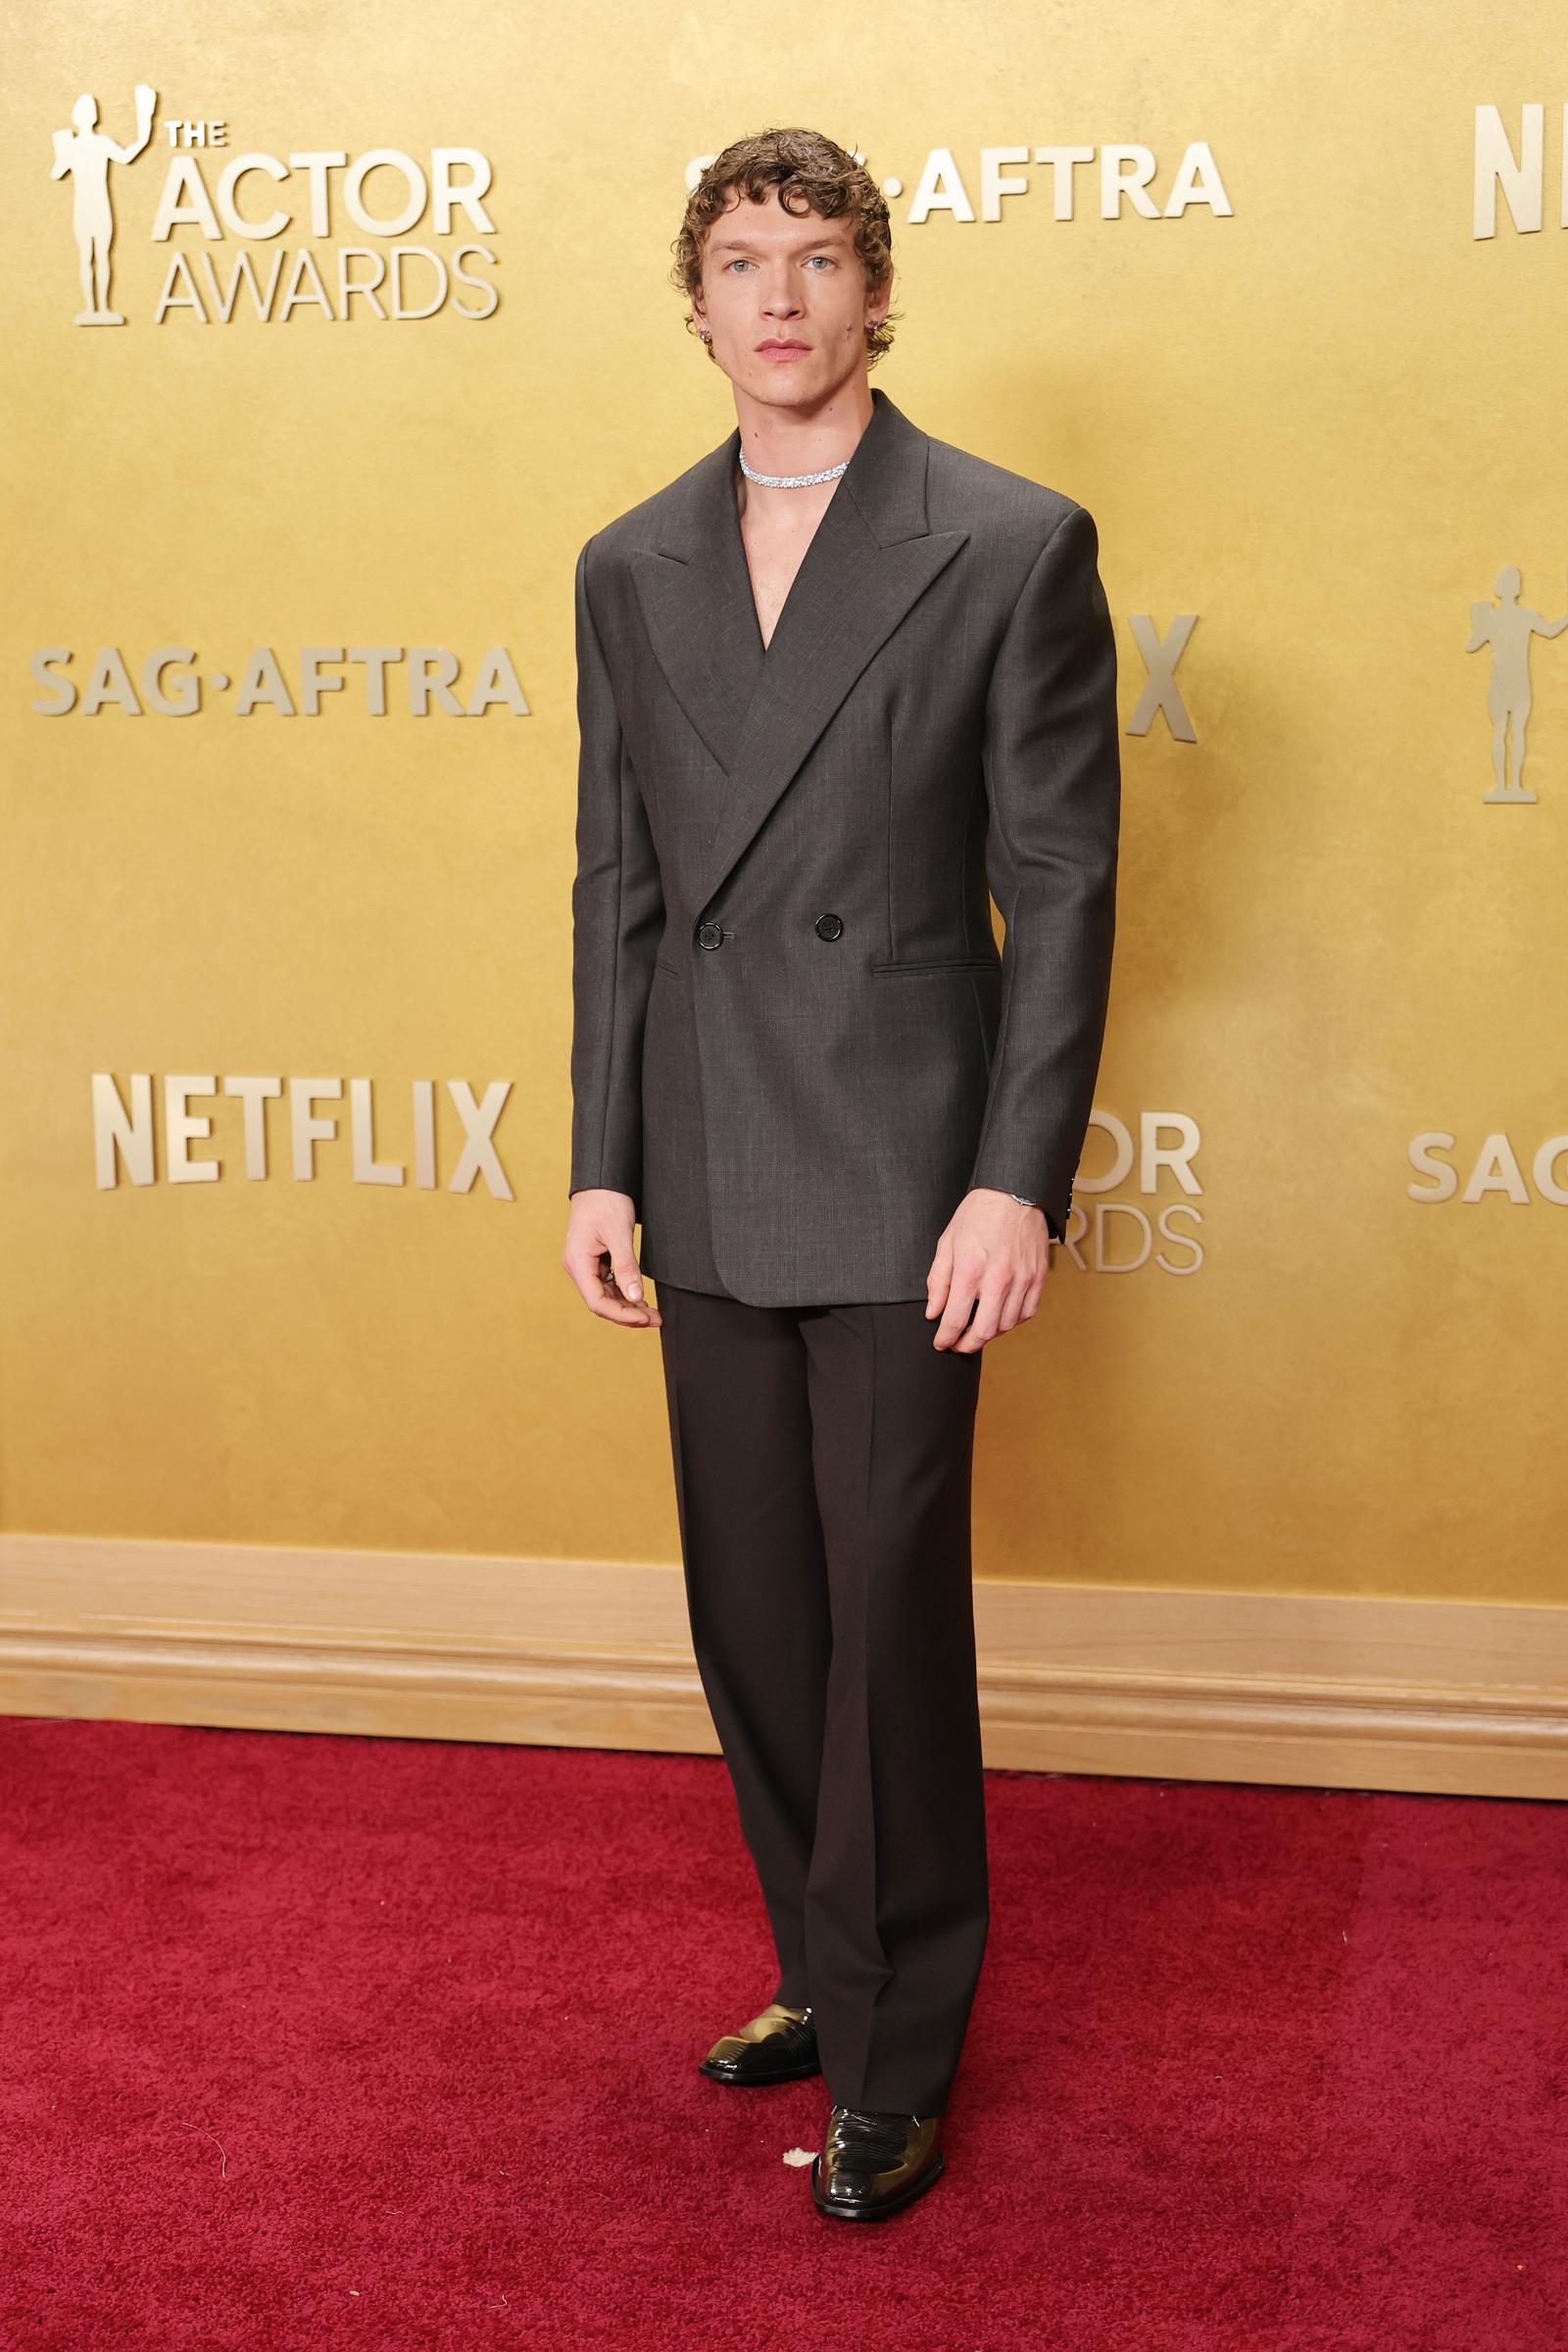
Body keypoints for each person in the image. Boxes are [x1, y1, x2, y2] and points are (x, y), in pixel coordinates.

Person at [563, 124, 1120, 2221]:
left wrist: (1014, 1181)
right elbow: (617, 887)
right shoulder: (631, 561)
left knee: (884, 1604)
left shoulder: (1001, 539)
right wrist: (600, 1158)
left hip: (905, 1160)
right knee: (756, 1606)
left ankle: (896, 2049)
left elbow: (1058, 892)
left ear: (878, 292)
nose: (776, 298)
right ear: (692, 302)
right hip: (701, 1149)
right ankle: (821, 1957)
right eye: (736, 261)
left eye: (814, 260)